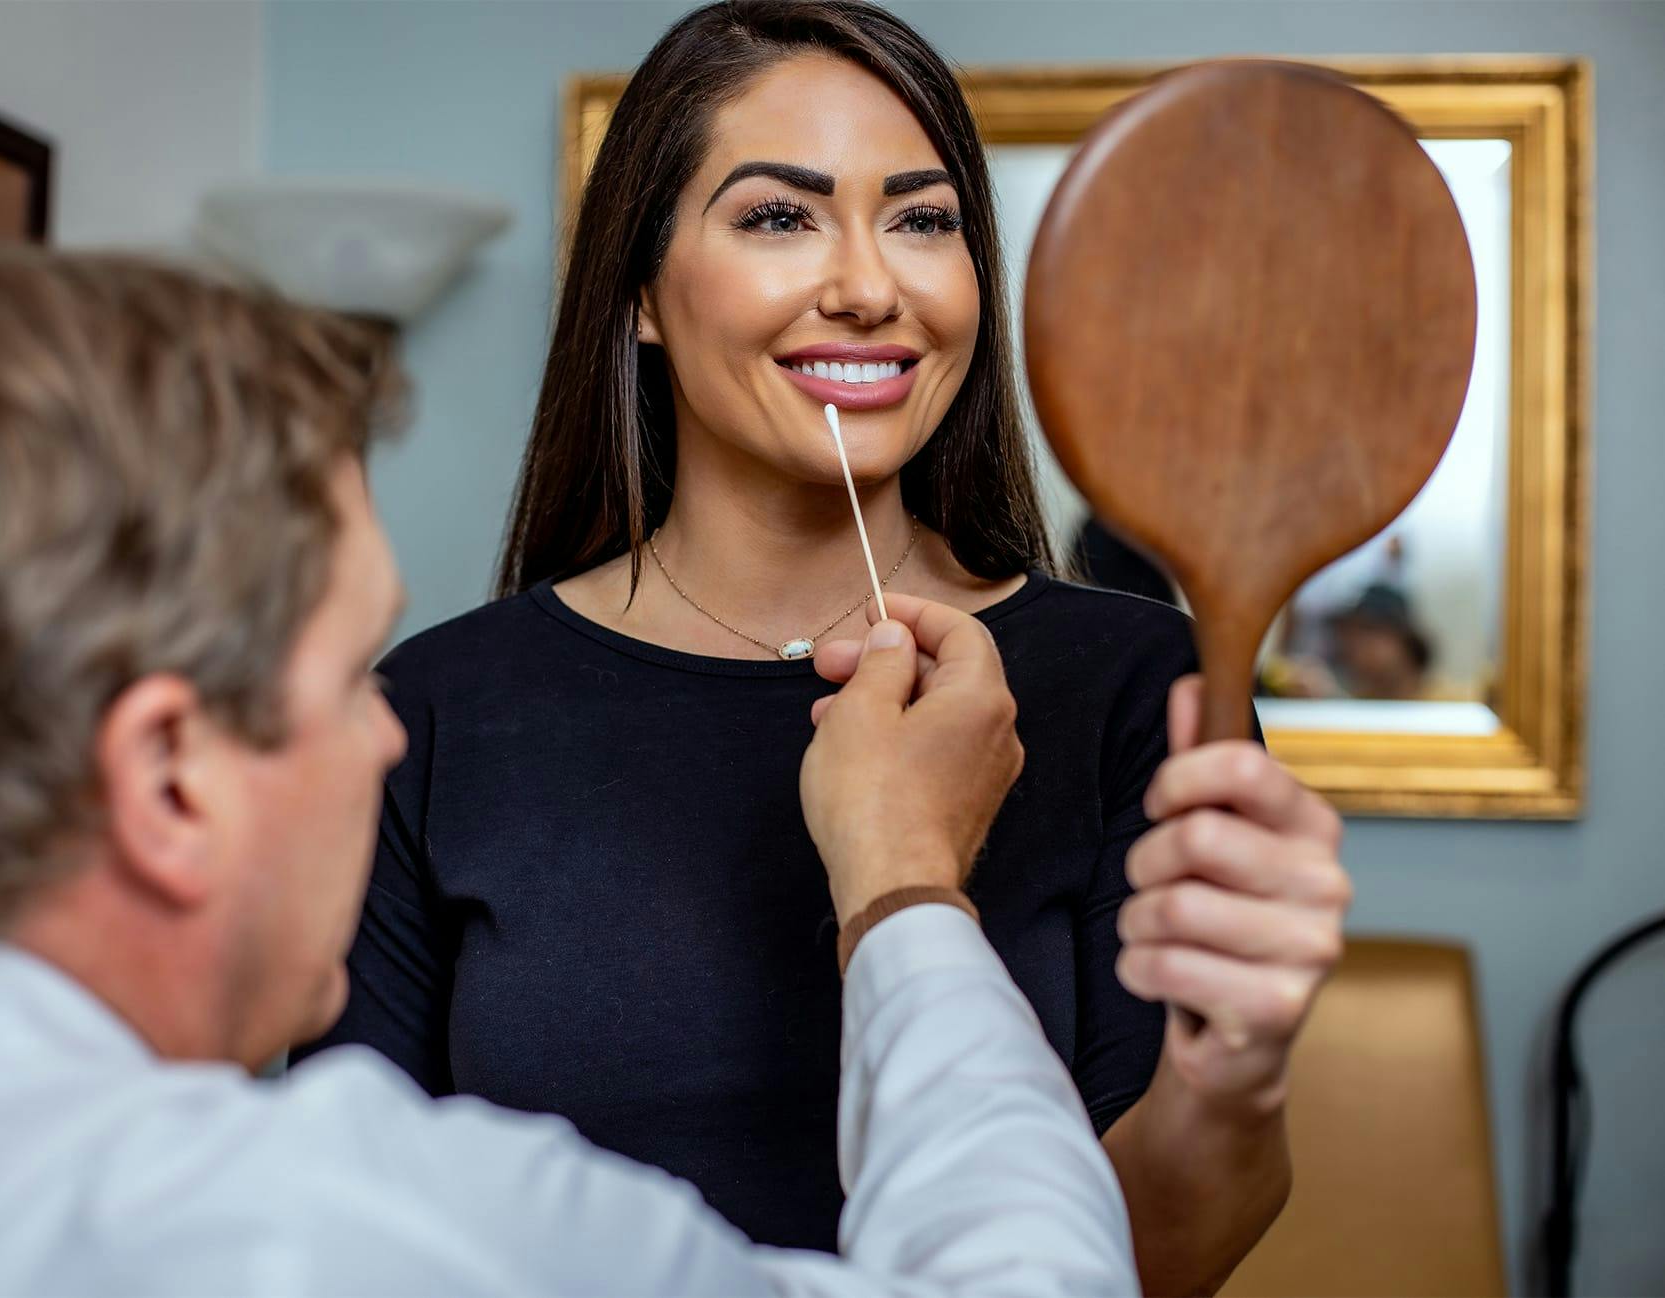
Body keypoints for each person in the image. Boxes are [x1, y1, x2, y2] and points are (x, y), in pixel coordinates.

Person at [0, 240, 1140, 1295]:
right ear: (169, 776)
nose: (392, 729)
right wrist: (902, 881)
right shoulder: (359, 1231)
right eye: (350, 675)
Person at [300, 3, 1353, 1293]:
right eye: (779, 216)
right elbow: (357, 1231)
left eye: (923, 220)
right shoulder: (430, 712)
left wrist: (1231, 1081)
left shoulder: (1141, 689)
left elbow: (1138, 1267)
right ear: (637, 291)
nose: (869, 287)